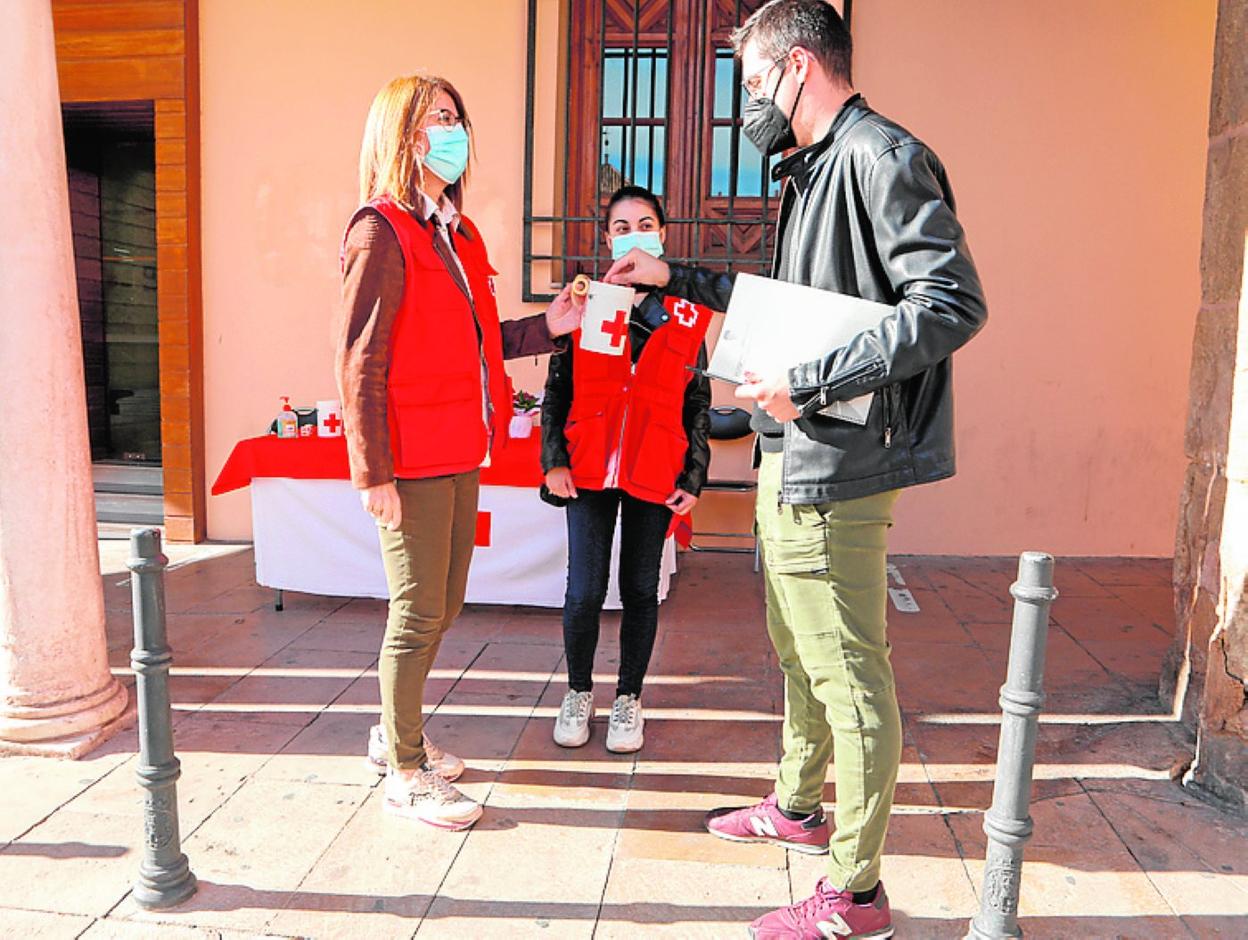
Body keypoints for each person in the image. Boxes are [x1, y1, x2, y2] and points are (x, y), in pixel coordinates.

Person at [603, 2, 988, 936]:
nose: (749, 107)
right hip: (792, 451)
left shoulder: (880, 158)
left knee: (849, 673)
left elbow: (951, 302)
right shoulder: (814, 171)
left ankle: (856, 894)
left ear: (798, 68)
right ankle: (799, 809)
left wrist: (810, 380)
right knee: (796, 645)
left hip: (842, 457)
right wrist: (674, 277)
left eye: (750, 84)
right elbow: (781, 304)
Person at [334, 73, 583, 831]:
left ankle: (392, 732)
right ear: (404, 134)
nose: (455, 130)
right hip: (409, 457)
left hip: (460, 447)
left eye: (458, 118)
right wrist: (371, 470)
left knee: (442, 605)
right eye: (439, 118)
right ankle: (405, 770)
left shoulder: (460, 232)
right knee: (415, 612)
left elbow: (486, 340)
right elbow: (359, 360)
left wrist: (552, 323)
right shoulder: (381, 230)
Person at [541, 185, 713, 754]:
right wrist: (553, 461)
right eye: (620, 226)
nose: (632, 232)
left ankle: (629, 700)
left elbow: (698, 401)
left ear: (661, 236)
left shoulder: (687, 314)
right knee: (584, 590)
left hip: (653, 469)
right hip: (588, 467)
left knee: (640, 589)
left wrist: (692, 477)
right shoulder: (586, 302)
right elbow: (557, 388)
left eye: (644, 223)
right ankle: (578, 692)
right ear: (607, 238)